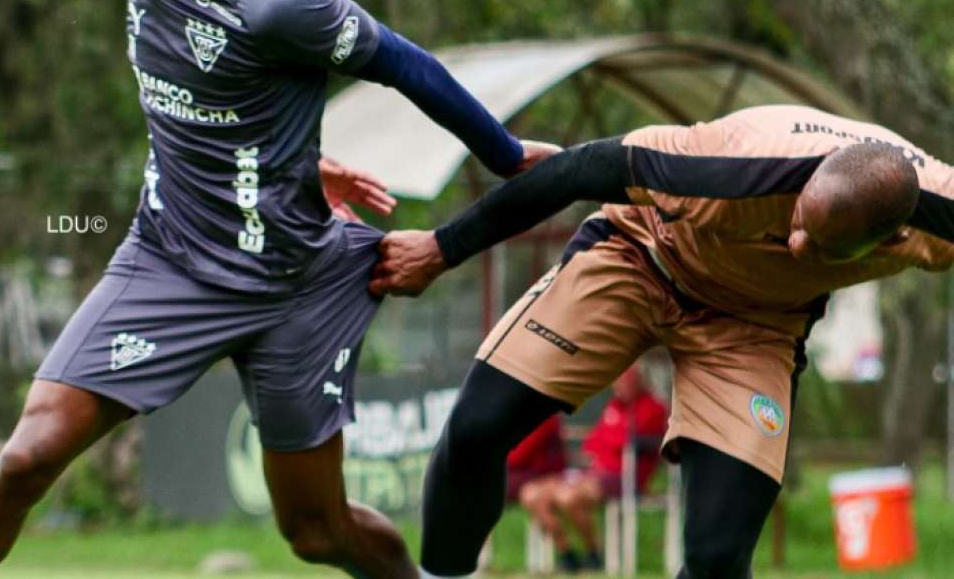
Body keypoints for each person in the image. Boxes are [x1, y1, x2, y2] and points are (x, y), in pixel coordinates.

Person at [0, 0, 556, 579]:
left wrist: (503, 156)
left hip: (296, 285)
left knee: (317, 533)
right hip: (168, 262)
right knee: (25, 459)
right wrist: (282, 153)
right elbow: (203, 89)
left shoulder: (276, 1)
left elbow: (405, 63)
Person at [369, 104, 954, 579]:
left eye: (823, 246)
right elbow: (574, 170)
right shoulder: (730, 164)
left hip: (756, 325)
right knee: (476, 429)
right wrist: (440, 250)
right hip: (642, 259)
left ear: (896, 239)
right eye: (796, 221)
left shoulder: (938, 218)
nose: (798, 245)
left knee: (718, 557)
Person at [517, 365, 667, 573]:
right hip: (593, 473)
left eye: (626, 380)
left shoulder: (653, 408)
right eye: (618, 381)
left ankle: (593, 552)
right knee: (530, 494)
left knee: (568, 497)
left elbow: (626, 441)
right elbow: (593, 442)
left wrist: (610, 441)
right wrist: (608, 441)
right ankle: (567, 554)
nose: (620, 386)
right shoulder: (614, 406)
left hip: (624, 476)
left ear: (640, 381)